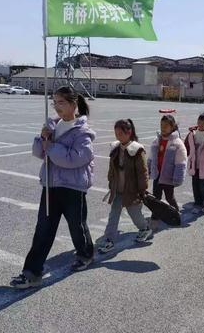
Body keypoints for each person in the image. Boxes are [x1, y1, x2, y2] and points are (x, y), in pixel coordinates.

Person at [10, 86, 96, 289]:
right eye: (54, 102)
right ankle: (32, 272)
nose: (57, 107)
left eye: (61, 102)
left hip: (73, 188)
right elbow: (40, 153)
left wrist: (51, 146)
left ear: (73, 104)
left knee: (77, 226)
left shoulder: (83, 132)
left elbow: (75, 159)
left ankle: (85, 254)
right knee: (43, 229)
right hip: (51, 185)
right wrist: (42, 138)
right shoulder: (53, 127)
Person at [98, 119, 153, 254]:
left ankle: (145, 228)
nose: (118, 136)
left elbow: (143, 172)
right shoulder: (115, 148)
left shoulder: (137, 150)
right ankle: (109, 240)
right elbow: (111, 169)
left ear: (129, 133)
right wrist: (111, 183)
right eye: (116, 133)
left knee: (135, 214)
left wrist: (142, 189)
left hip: (132, 190)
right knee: (114, 214)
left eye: (121, 133)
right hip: (118, 189)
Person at [147, 115, 187, 231]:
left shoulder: (177, 143)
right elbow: (150, 158)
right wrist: (148, 169)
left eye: (166, 126)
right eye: (161, 126)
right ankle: (155, 218)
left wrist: (178, 177)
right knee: (156, 198)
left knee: (170, 198)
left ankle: (176, 214)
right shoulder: (157, 141)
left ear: (172, 127)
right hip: (157, 175)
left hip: (168, 177)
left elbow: (181, 162)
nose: (163, 128)